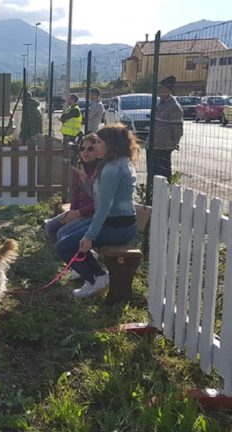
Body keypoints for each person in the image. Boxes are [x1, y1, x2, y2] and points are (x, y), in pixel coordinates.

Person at [55, 124, 140, 298]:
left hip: (117, 228)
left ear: (111, 144)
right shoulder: (120, 162)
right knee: (65, 234)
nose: (95, 146)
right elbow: (102, 200)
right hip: (119, 223)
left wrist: (90, 236)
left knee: (64, 246)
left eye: (99, 142)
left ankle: (98, 278)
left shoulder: (111, 169)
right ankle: (92, 272)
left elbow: (103, 207)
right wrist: (87, 181)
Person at [44, 133, 99, 244]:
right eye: (82, 148)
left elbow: (99, 203)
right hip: (78, 211)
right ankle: (66, 251)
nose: (85, 152)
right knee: (49, 227)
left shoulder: (101, 170)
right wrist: (72, 211)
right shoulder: (80, 167)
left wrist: (78, 213)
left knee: (62, 233)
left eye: (90, 149)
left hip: (91, 214)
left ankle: (75, 252)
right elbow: (76, 191)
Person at [147, 75, 183, 182]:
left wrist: (172, 144)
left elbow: (178, 129)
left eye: (162, 89)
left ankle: (164, 197)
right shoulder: (160, 103)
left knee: (162, 175)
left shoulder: (174, 107)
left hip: (163, 147)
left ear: (169, 90)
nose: (159, 91)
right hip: (152, 145)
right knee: (152, 174)